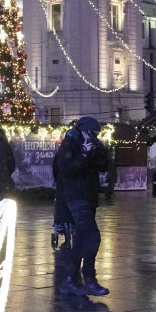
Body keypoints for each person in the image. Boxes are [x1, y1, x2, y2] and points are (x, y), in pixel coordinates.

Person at [54, 116, 110, 297]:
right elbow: (66, 169)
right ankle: (89, 280)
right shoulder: (69, 143)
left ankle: (69, 281)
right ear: (82, 130)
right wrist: (84, 154)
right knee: (92, 236)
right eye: (91, 133)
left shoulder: (93, 143)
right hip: (75, 196)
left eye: (96, 134)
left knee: (80, 239)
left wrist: (96, 151)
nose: (93, 136)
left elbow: (103, 166)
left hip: (89, 196)